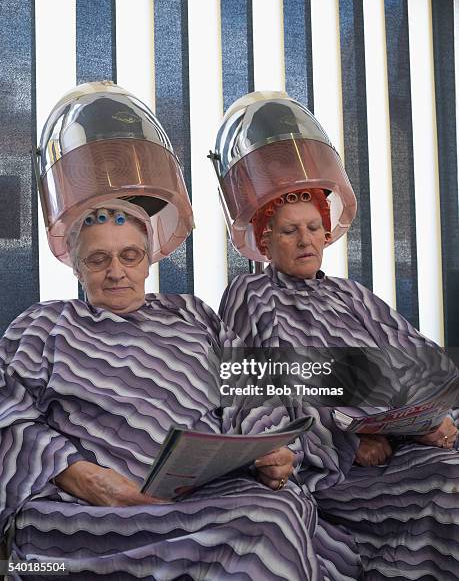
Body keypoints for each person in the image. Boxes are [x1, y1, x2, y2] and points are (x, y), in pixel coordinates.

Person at [0, 82, 361, 580]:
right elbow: (8, 417)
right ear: (77, 267)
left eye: (129, 256)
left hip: (206, 493)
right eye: (98, 260)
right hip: (94, 512)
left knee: (280, 510)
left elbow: (249, 391)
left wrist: (271, 449)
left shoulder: (191, 314)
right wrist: (81, 475)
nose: (116, 272)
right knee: (264, 524)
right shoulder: (43, 325)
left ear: (149, 259)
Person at [214, 92, 459, 579]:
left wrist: (438, 418)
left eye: (312, 228)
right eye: (289, 231)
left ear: (327, 233)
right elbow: (260, 393)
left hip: (403, 446)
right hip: (339, 470)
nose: (305, 241)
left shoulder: (354, 295)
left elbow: (421, 362)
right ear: (265, 240)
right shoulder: (250, 295)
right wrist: (351, 440)